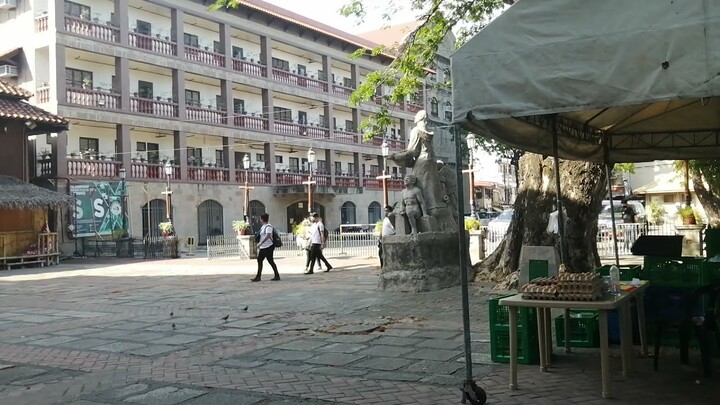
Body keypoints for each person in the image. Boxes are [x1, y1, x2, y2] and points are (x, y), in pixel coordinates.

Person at [252, 213, 280, 282]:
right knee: (260, 260)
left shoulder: (268, 227)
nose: (260, 220)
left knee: (270, 261)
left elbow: (268, 236)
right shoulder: (263, 227)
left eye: (260, 219)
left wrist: (261, 243)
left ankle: (277, 275)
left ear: (262, 219)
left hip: (268, 247)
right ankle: (258, 276)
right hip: (263, 247)